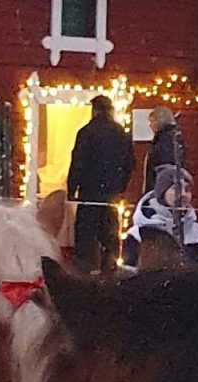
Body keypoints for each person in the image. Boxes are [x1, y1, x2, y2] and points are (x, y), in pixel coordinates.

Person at [65, 95, 134, 274]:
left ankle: (85, 274)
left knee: (86, 237)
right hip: (111, 194)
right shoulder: (121, 133)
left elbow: (78, 161)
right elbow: (130, 163)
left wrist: (72, 188)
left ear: (94, 110)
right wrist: (121, 186)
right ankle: (110, 272)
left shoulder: (86, 132)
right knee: (110, 236)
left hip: (89, 193)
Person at [122, 165, 198, 266]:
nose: (183, 194)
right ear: (162, 193)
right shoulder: (138, 233)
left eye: (187, 189)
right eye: (176, 188)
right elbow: (129, 273)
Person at [144, 107, 180, 192]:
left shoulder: (165, 140)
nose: (150, 125)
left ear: (160, 121)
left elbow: (164, 168)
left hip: (161, 190)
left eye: (152, 121)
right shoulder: (167, 138)